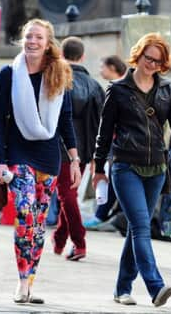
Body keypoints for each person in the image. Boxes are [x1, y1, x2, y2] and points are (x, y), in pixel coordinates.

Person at [92, 33, 171, 307]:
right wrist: (98, 168)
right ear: (138, 55)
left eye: (157, 61)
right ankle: (156, 287)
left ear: (163, 64)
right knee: (141, 226)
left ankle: (122, 289)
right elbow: (104, 133)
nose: (151, 64)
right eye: (147, 58)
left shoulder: (167, 89)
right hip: (125, 165)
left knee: (135, 229)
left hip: (156, 169)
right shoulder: (118, 89)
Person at [0, 18, 80, 304]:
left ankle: (30, 282)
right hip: (19, 156)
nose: (32, 41)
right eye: (28, 36)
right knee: (25, 214)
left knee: (39, 224)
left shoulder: (59, 73)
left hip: (49, 158)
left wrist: (75, 159)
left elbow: (65, 121)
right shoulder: (9, 74)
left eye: (38, 37)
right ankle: (20, 282)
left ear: (48, 42)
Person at [52, 36, 104, 260]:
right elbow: (102, 122)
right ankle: (60, 239)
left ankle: (79, 241)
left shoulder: (57, 80)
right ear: (82, 57)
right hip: (83, 149)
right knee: (69, 193)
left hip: (60, 145)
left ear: (62, 55)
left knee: (66, 194)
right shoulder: (95, 86)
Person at [83, 54, 127, 229]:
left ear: (113, 68)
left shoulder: (121, 88)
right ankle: (105, 215)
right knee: (112, 179)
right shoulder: (112, 87)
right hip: (113, 143)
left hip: (119, 144)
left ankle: (103, 215)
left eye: (103, 67)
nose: (100, 71)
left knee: (114, 179)